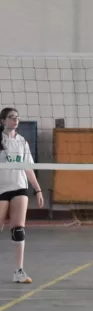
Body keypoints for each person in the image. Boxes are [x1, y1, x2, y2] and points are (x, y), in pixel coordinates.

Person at [0, 107, 44, 284]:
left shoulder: (22, 141)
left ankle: (19, 271)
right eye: (11, 118)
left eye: (17, 118)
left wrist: (38, 189)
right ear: (3, 121)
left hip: (19, 187)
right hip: (2, 188)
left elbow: (28, 167)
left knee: (18, 229)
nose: (15, 120)